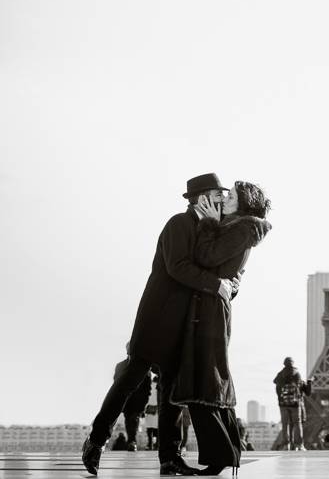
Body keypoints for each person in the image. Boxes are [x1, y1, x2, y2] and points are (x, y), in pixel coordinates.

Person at [82, 173, 240, 476]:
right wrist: (216, 284)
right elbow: (178, 267)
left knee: (171, 395)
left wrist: (230, 284)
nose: (222, 200)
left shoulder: (212, 231)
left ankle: (169, 457)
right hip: (158, 319)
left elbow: (223, 271)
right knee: (130, 380)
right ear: (203, 198)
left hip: (186, 326)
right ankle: (97, 439)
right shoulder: (178, 224)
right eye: (219, 195)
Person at [171, 180, 271, 475]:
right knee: (211, 378)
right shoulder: (241, 227)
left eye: (232, 197)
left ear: (244, 203)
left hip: (210, 310)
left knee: (206, 380)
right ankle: (228, 452)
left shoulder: (241, 228)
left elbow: (206, 257)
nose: (226, 199)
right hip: (212, 307)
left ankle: (220, 456)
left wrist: (208, 224)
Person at [113, 343, 153, 452]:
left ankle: (132, 441)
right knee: (129, 419)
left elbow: (147, 388)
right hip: (126, 399)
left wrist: (144, 401)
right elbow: (116, 384)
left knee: (134, 419)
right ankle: (131, 441)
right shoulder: (120, 366)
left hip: (138, 400)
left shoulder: (145, 367)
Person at [274, 357, 312, 451]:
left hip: (283, 403)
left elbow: (275, 382)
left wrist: (280, 398)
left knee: (285, 424)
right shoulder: (297, 373)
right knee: (297, 423)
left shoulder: (280, 374)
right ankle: (299, 444)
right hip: (295, 403)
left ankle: (286, 444)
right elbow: (306, 391)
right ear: (293, 364)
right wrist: (309, 383)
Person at [144, 375, 159, 450]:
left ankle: (150, 444)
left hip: (149, 408)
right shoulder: (159, 387)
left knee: (149, 428)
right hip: (157, 408)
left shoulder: (149, 386)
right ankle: (157, 444)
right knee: (157, 428)